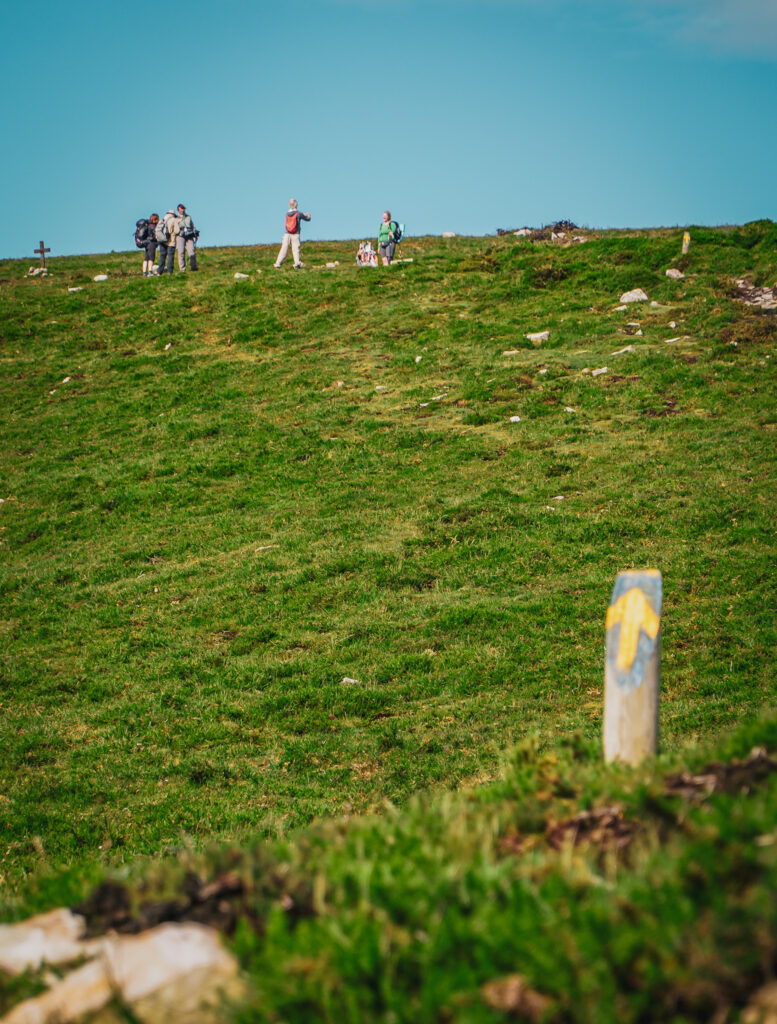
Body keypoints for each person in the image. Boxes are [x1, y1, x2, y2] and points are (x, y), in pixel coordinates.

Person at [274, 199, 311, 269]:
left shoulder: (287, 213)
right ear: (296, 204)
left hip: (287, 233)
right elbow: (307, 219)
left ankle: (277, 263)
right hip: (295, 233)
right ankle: (297, 263)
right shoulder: (299, 213)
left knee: (284, 248)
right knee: (295, 249)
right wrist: (308, 215)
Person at [175, 203, 199, 272]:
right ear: (178, 210)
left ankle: (193, 267)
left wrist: (195, 233)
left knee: (192, 251)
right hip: (180, 236)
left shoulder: (188, 217)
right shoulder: (176, 218)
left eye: (183, 209)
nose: (182, 210)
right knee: (181, 252)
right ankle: (182, 269)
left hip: (189, 235)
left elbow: (192, 225)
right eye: (181, 209)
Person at [156, 209, 179, 275]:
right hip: (171, 241)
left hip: (162, 240)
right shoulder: (174, 220)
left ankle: (159, 271)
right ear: (173, 214)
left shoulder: (162, 219)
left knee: (162, 256)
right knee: (170, 256)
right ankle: (169, 271)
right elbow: (177, 231)